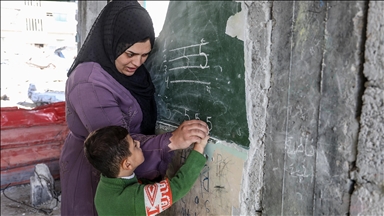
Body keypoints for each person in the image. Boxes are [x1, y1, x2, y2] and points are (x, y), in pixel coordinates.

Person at [60, 1, 209, 215]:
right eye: (130, 54)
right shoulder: (89, 83)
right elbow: (116, 144)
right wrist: (172, 141)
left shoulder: (126, 72)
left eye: (145, 55)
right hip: (94, 171)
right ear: (113, 43)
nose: (137, 63)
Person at [84, 125, 209, 216]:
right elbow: (178, 187)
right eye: (134, 145)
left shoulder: (105, 185)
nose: (138, 143)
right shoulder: (132, 200)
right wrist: (199, 147)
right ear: (127, 164)